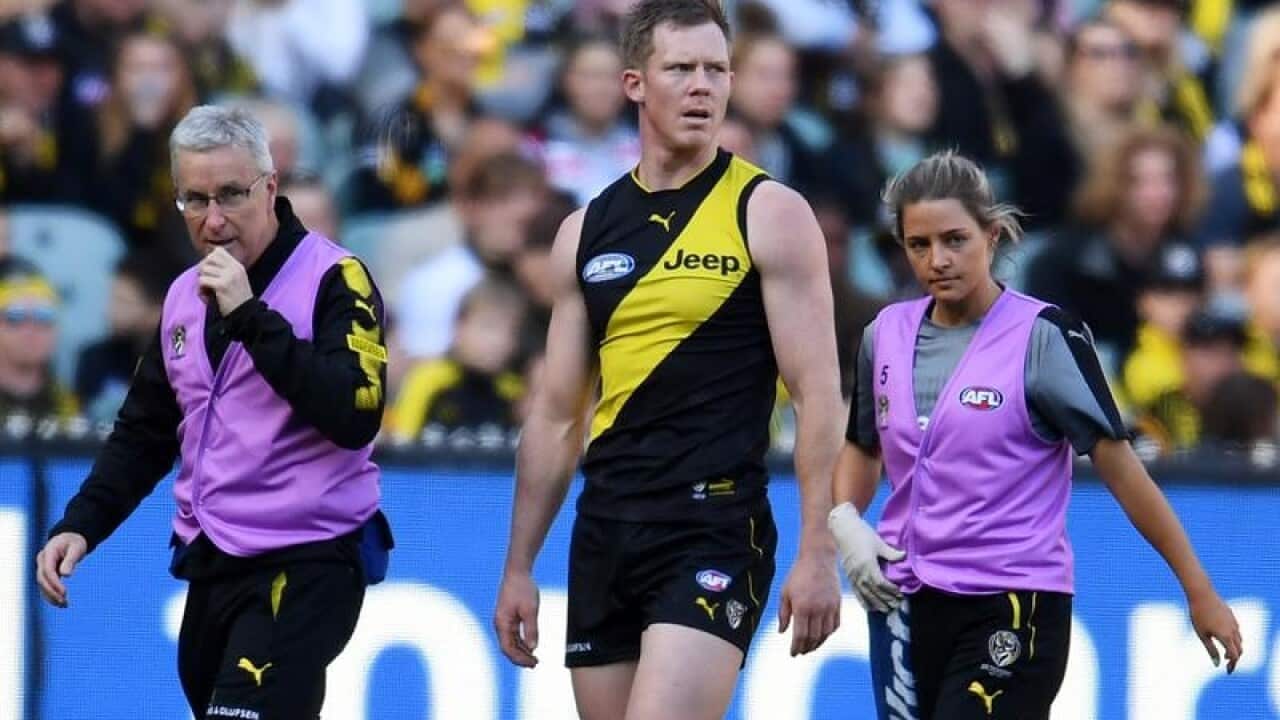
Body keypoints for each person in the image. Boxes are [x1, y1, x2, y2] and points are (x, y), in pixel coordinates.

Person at [493, 1, 844, 718]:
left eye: (716, 70)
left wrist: (818, 550)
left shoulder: (769, 212)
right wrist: (519, 565)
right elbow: (558, 416)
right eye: (680, 69)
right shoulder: (585, 230)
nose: (702, 87)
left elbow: (818, 395)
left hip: (712, 524)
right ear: (634, 84)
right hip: (607, 527)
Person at [829, 151, 1242, 720]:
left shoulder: (1044, 337)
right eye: (918, 245)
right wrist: (843, 519)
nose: (937, 260)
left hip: (1011, 601)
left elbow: (1121, 468)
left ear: (992, 235)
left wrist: (1198, 588)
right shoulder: (885, 334)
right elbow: (862, 444)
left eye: (955, 240)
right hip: (903, 602)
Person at [34, 105, 393, 720]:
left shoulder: (337, 277)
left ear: (271, 188)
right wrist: (80, 523)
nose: (214, 219)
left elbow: (355, 412)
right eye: (195, 201)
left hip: (307, 557)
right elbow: (144, 431)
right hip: (213, 560)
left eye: (231, 194)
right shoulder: (182, 294)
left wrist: (250, 316)